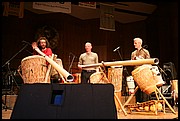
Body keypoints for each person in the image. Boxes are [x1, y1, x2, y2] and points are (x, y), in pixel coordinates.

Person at [131, 37, 150, 103]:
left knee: (144, 89)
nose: (134, 44)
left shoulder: (145, 52)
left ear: (140, 43)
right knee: (137, 89)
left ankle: (145, 103)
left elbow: (149, 62)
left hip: (144, 73)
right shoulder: (133, 53)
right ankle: (138, 104)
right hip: (136, 73)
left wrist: (140, 60)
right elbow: (131, 63)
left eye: (135, 43)